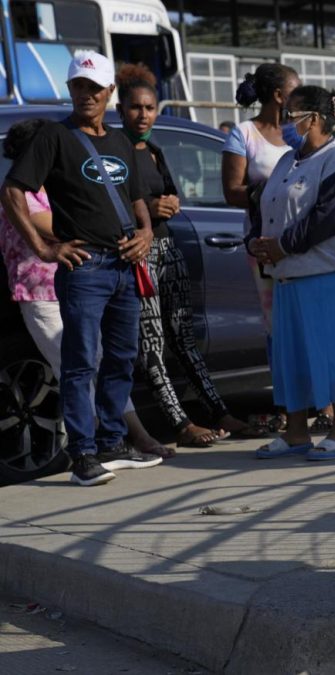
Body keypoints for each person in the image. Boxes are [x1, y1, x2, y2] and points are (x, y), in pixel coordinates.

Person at [1, 51, 161, 486]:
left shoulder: (121, 141)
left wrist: (145, 232)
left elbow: (135, 196)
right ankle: (83, 455)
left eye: (94, 87)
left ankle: (112, 442)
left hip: (125, 265)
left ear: (109, 92)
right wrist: (44, 248)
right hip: (85, 266)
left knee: (122, 358)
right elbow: (13, 192)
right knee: (80, 362)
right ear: (69, 89)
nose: (85, 94)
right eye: (77, 86)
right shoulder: (54, 136)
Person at [116, 63, 264, 447]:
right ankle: (181, 424)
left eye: (149, 108)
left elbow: (167, 192)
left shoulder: (154, 151)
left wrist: (169, 203)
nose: (143, 115)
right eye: (135, 108)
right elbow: (115, 202)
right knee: (152, 346)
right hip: (139, 254)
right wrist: (152, 205)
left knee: (183, 338)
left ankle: (221, 413)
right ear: (121, 110)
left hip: (169, 248)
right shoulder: (114, 152)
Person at [245, 85, 335, 461]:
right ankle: (295, 432)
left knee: (333, 355)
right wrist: (257, 240)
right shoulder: (287, 161)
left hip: (322, 276)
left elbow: (326, 218)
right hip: (286, 278)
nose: (285, 123)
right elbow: (264, 205)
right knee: (290, 358)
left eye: (292, 115)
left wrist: (283, 245)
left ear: (314, 119)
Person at [221, 63, 335, 433]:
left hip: (308, 245)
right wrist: (273, 188)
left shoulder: (303, 133)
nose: (300, 97)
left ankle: (327, 406)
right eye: (296, 90)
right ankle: (289, 406)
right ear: (278, 96)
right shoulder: (244, 135)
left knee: (314, 324)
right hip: (266, 250)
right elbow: (231, 191)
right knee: (279, 329)